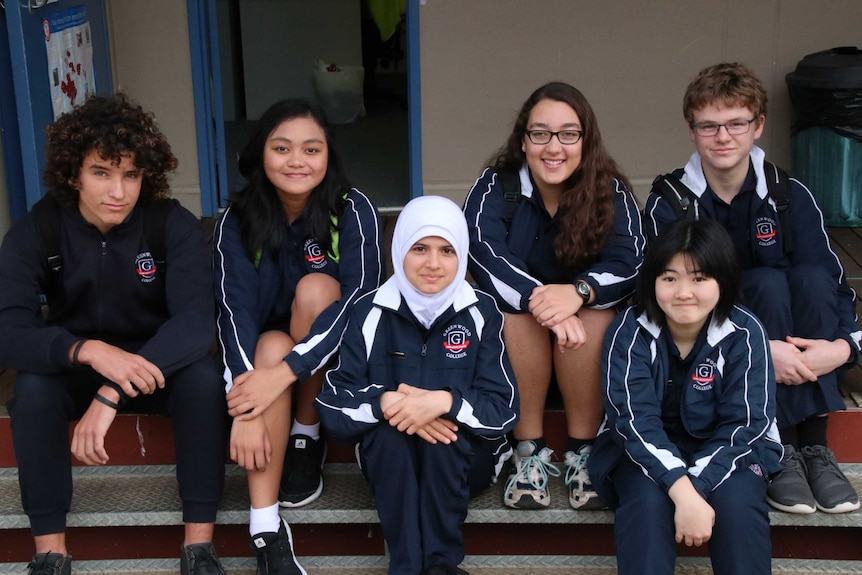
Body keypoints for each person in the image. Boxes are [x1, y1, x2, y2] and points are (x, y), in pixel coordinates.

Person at [0, 94, 228, 575]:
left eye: (130, 174)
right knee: (32, 390)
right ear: (73, 175)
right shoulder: (39, 229)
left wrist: (112, 390)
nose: (118, 191)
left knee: (204, 382)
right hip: (77, 364)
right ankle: (50, 554)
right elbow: (8, 330)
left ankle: (199, 549)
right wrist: (88, 351)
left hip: (154, 364)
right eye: (101, 172)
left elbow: (194, 324)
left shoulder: (171, 224)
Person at [641, 62, 861, 514]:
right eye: (709, 125)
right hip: (708, 351)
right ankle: (775, 448)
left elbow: (833, 286)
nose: (723, 137)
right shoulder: (671, 200)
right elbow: (666, 297)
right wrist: (762, 350)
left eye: (736, 123)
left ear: (757, 126)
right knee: (761, 283)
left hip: (791, 344)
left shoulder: (789, 193)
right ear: (692, 130)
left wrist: (841, 349)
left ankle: (814, 448)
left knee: (807, 278)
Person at [212, 99, 384, 573]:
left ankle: (306, 435)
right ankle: (265, 529)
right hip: (266, 358)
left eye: (311, 149)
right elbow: (232, 309)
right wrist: (245, 401)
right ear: (261, 153)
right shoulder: (238, 219)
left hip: (339, 358)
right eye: (282, 148)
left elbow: (361, 303)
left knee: (315, 290)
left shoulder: (352, 208)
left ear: (328, 155)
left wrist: (283, 375)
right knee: (269, 344)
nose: (296, 161)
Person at [462, 81, 644, 510]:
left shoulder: (609, 189)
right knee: (512, 314)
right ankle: (529, 454)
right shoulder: (496, 186)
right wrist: (542, 301)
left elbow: (631, 262)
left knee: (598, 314)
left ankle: (582, 452)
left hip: (583, 346)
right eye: (540, 133)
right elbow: (482, 253)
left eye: (568, 133)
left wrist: (579, 292)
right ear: (523, 141)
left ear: (586, 140)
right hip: (518, 343)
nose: (553, 146)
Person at [316, 195, 519, 575]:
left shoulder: (481, 310)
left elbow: (503, 408)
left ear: (461, 255)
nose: (433, 263)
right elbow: (333, 403)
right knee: (392, 439)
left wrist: (444, 402)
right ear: (399, 249)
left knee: (444, 441)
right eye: (419, 248)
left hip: (465, 459)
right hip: (390, 460)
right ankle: (407, 567)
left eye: (447, 250)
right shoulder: (369, 310)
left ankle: (440, 564)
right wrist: (388, 403)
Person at [590, 218, 783, 575]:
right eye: (669, 278)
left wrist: (696, 487)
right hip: (640, 450)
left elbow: (745, 424)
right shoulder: (630, 329)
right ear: (653, 281)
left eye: (699, 278)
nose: (683, 293)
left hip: (731, 450)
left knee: (737, 505)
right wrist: (683, 492)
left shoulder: (744, 332)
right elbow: (633, 422)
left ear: (722, 281)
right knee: (647, 503)